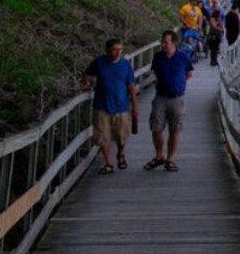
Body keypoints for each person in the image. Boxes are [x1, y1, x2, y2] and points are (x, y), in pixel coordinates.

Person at [81, 39, 138, 174]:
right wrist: (86, 84)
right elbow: (86, 73)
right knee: (103, 136)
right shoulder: (99, 62)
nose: (118, 52)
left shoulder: (125, 65)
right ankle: (108, 164)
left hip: (121, 105)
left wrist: (135, 105)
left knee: (121, 136)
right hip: (102, 105)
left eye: (120, 49)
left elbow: (131, 86)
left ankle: (120, 153)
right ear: (107, 50)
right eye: (114, 49)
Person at [144, 30, 193, 172]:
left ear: (174, 43)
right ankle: (159, 156)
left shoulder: (183, 57)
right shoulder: (158, 57)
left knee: (175, 129)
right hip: (160, 97)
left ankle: (170, 159)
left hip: (177, 98)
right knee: (156, 127)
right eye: (162, 41)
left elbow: (189, 73)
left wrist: (179, 84)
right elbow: (155, 73)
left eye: (166, 42)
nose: (163, 44)